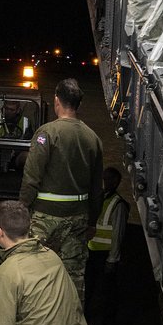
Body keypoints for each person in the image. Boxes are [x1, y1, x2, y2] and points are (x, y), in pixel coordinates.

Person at [19, 78, 103, 305]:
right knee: (73, 277)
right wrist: (92, 221)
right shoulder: (92, 138)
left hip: (44, 219)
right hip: (77, 219)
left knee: (34, 273)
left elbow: (31, 178)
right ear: (78, 104)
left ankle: (34, 323)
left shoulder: (47, 133)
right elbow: (97, 188)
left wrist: (22, 210)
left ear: (57, 100)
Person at [84, 167, 128, 325]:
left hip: (105, 256)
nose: (105, 183)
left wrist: (112, 258)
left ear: (116, 182)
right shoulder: (100, 199)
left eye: (108, 179)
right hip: (92, 252)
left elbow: (118, 233)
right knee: (90, 290)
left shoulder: (118, 204)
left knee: (105, 294)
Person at [0, 100, 33, 178]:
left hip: (17, 153)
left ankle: (23, 181)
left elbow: (30, 139)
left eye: (11, 110)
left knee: (27, 156)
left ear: (18, 110)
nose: (8, 112)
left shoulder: (25, 122)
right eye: (6, 109)